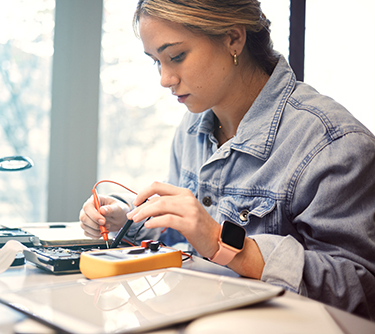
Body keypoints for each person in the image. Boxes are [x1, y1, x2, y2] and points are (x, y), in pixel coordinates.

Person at [79, 0, 375, 320]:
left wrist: (231, 247)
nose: (165, 79)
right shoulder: (192, 128)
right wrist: (129, 224)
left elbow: (360, 290)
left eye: (176, 56)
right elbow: (189, 244)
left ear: (233, 38)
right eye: (156, 62)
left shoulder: (334, 143)